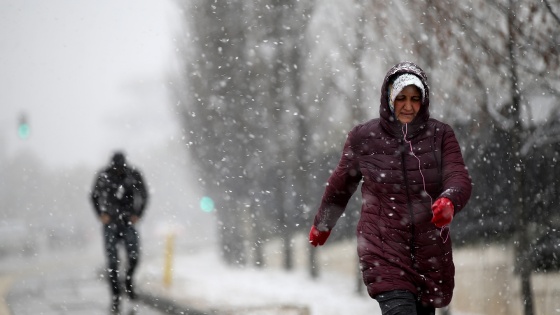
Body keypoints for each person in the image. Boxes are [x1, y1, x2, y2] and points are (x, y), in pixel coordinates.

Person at [308, 61, 472, 315]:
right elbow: (341, 185)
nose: (408, 106)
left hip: (429, 253)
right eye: (401, 98)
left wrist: (449, 200)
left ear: (424, 100)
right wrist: (323, 224)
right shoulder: (364, 137)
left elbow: (457, 176)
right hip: (383, 249)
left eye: (416, 99)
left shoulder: (440, 135)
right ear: (389, 98)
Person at [90, 151, 149, 313]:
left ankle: (128, 282)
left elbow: (143, 195)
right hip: (110, 223)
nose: (118, 171)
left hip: (128, 222)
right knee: (112, 261)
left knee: (134, 256)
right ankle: (116, 295)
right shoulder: (104, 175)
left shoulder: (133, 174)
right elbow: (94, 196)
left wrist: (138, 213)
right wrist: (101, 214)